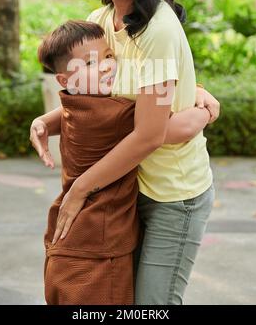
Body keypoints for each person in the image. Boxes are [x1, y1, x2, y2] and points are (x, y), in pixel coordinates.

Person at [30, 0, 220, 305]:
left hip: (172, 192)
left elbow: (149, 134)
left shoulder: (160, 30)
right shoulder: (99, 21)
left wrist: (80, 188)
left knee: (153, 304)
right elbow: (94, 102)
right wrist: (48, 120)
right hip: (125, 187)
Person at [37, 19, 210, 305]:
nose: (106, 66)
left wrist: (42, 120)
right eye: (90, 64)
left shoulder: (73, 104)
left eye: (108, 57)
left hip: (74, 240)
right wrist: (204, 104)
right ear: (65, 80)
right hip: (99, 246)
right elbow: (178, 128)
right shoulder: (114, 114)